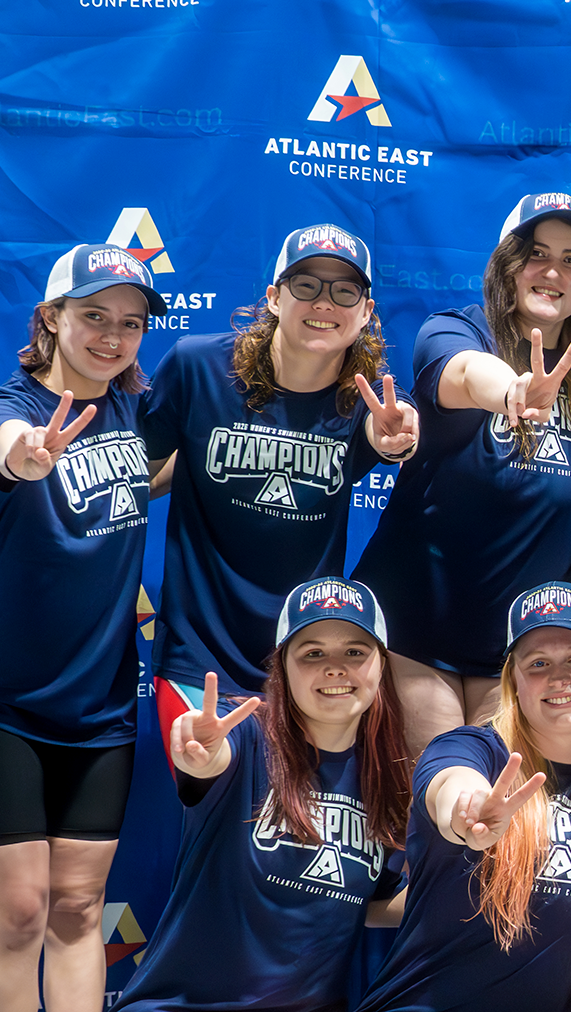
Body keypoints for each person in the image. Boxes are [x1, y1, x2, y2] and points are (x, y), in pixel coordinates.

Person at [0, 244, 165, 1012]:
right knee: (21, 912)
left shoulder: (135, 414)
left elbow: (165, 470)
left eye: (129, 323)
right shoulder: (8, 406)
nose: (111, 336)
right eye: (93, 316)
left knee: (77, 908)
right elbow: (7, 446)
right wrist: (28, 453)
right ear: (51, 319)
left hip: (98, 706)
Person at [103, 577, 411, 1012]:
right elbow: (209, 759)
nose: (335, 667)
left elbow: (378, 900)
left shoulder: (389, 779)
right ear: (283, 668)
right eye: (312, 653)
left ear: (381, 665)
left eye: (355, 651)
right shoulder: (246, 733)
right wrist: (199, 753)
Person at [339, 582, 571, 1012]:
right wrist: (467, 810)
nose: (558, 677)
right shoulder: (473, 749)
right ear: (513, 679)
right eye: (537, 663)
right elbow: (449, 782)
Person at [142, 224, 420, 730]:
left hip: (307, 662)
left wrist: (394, 440)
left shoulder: (369, 401)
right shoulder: (197, 367)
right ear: (274, 298)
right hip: (197, 655)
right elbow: (138, 472)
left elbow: (394, 431)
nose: (324, 303)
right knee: (207, 776)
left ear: (366, 312)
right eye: (306, 285)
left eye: (344, 291)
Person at [355, 194, 571, 747]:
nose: (553, 272)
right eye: (536, 254)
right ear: (506, 266)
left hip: (518, 646)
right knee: (440, 785)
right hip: (417, 632)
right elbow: (466, 374)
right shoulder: (456, 329)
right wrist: (513, 390)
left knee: (503, 797)